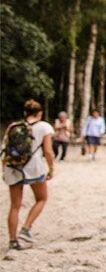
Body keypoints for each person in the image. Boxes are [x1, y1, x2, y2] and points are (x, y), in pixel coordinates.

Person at [3, 100, 54, 250]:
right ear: (40, 113)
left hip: (13, 168)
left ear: (25, 113)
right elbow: (48, 151)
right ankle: (26, 228)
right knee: (42, 198)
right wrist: (51, 169)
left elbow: (5, 149)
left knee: (15, 206)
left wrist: (4, 170)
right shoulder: (44, 127)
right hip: (34, 168)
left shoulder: (13, 127)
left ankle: (12, 240)